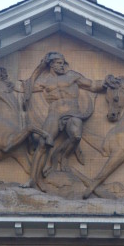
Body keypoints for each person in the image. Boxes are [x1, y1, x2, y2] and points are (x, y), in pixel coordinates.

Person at [24, 52, 104, 189]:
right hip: (54, 114)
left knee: (76, 135)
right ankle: (32, 179)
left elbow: (92, 85)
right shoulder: (44, 81)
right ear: (51, 64)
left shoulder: (72, 76)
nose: (62, 66)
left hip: (72, 112)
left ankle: (62, 156)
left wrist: (107, 82)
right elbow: (27, 87)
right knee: (43, 143)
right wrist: (39, 68)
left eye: (63, 63)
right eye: (59, 63)